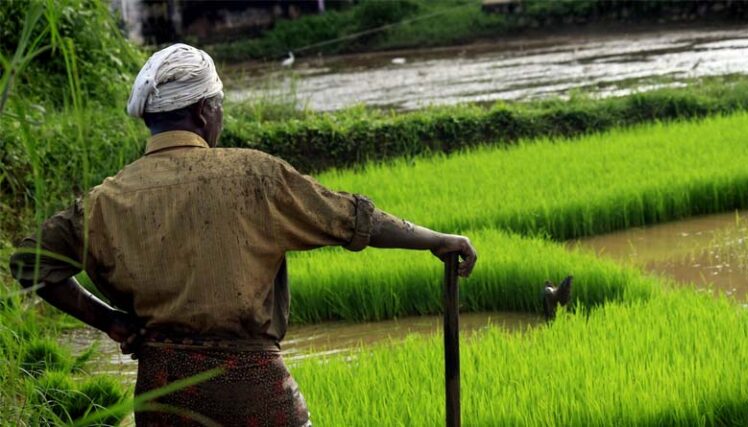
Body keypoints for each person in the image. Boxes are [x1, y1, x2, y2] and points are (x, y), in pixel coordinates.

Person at [9, 44, 477, 427]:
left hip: (162, 394)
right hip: (252, 388)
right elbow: (352, 219)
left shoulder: (105, 200)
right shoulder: (253, 175)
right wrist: (437, 239)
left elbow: (29, 261)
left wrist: (111, 321)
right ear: (203, 111)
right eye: (219, 106)